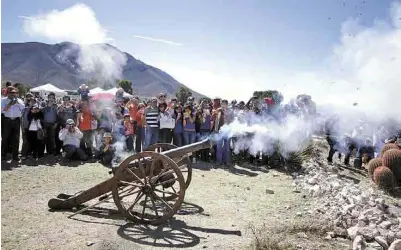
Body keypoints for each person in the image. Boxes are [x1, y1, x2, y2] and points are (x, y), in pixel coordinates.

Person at [1, 86, 25, 161]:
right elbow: (2, 110)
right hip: (7, 120)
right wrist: (9, 104)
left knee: (16, 139)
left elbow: (23, 108)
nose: (13, 94)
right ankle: (3, 155)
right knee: (5, 138)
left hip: (16, 120)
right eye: (11, 93)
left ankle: (15, 156)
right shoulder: (3, 100)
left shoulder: (19, 100)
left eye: (14, 93)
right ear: (8, 93)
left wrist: (17, 102)